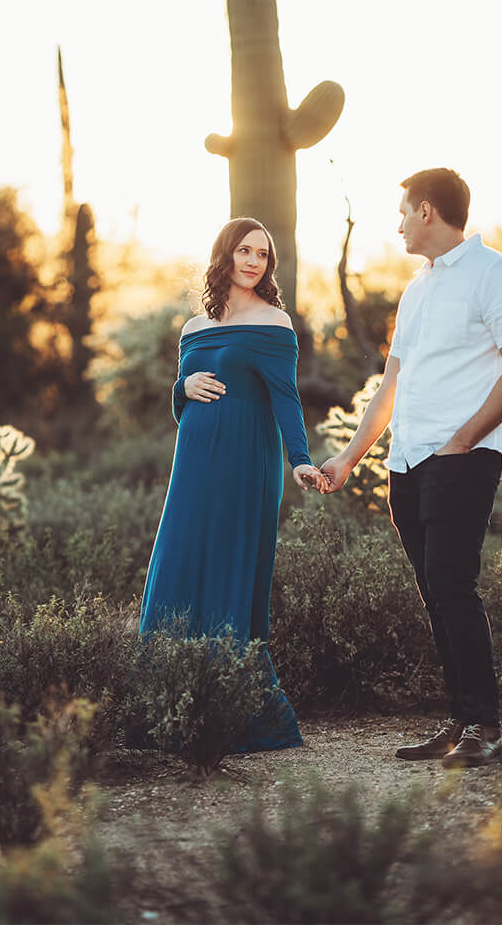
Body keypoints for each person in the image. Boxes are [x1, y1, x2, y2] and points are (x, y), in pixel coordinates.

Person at [320, 169, 502, 769]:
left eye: (401, 213)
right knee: (435, 594)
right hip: (408, 463)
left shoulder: (498, 275)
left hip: (461, 458)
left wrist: (464, 440)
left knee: (451, 586)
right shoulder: (415, 288)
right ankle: (463, 720)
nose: (396, 224)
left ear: (425, 211)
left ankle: (486, 730)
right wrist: (349, 457)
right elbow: (390, 384)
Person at [137, 217, 325, 754]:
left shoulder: (276, 323)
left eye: (262, 255)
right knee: (179, 561)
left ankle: (239, 709)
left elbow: (286, 399)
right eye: (243, 250)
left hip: (248, 459)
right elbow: (183, 403)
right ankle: (164, 706)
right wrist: (182, 384)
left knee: (230, 568)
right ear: (224, 255)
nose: (253, 261)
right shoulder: (194, 328)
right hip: (193, 462)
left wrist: (300, 460)